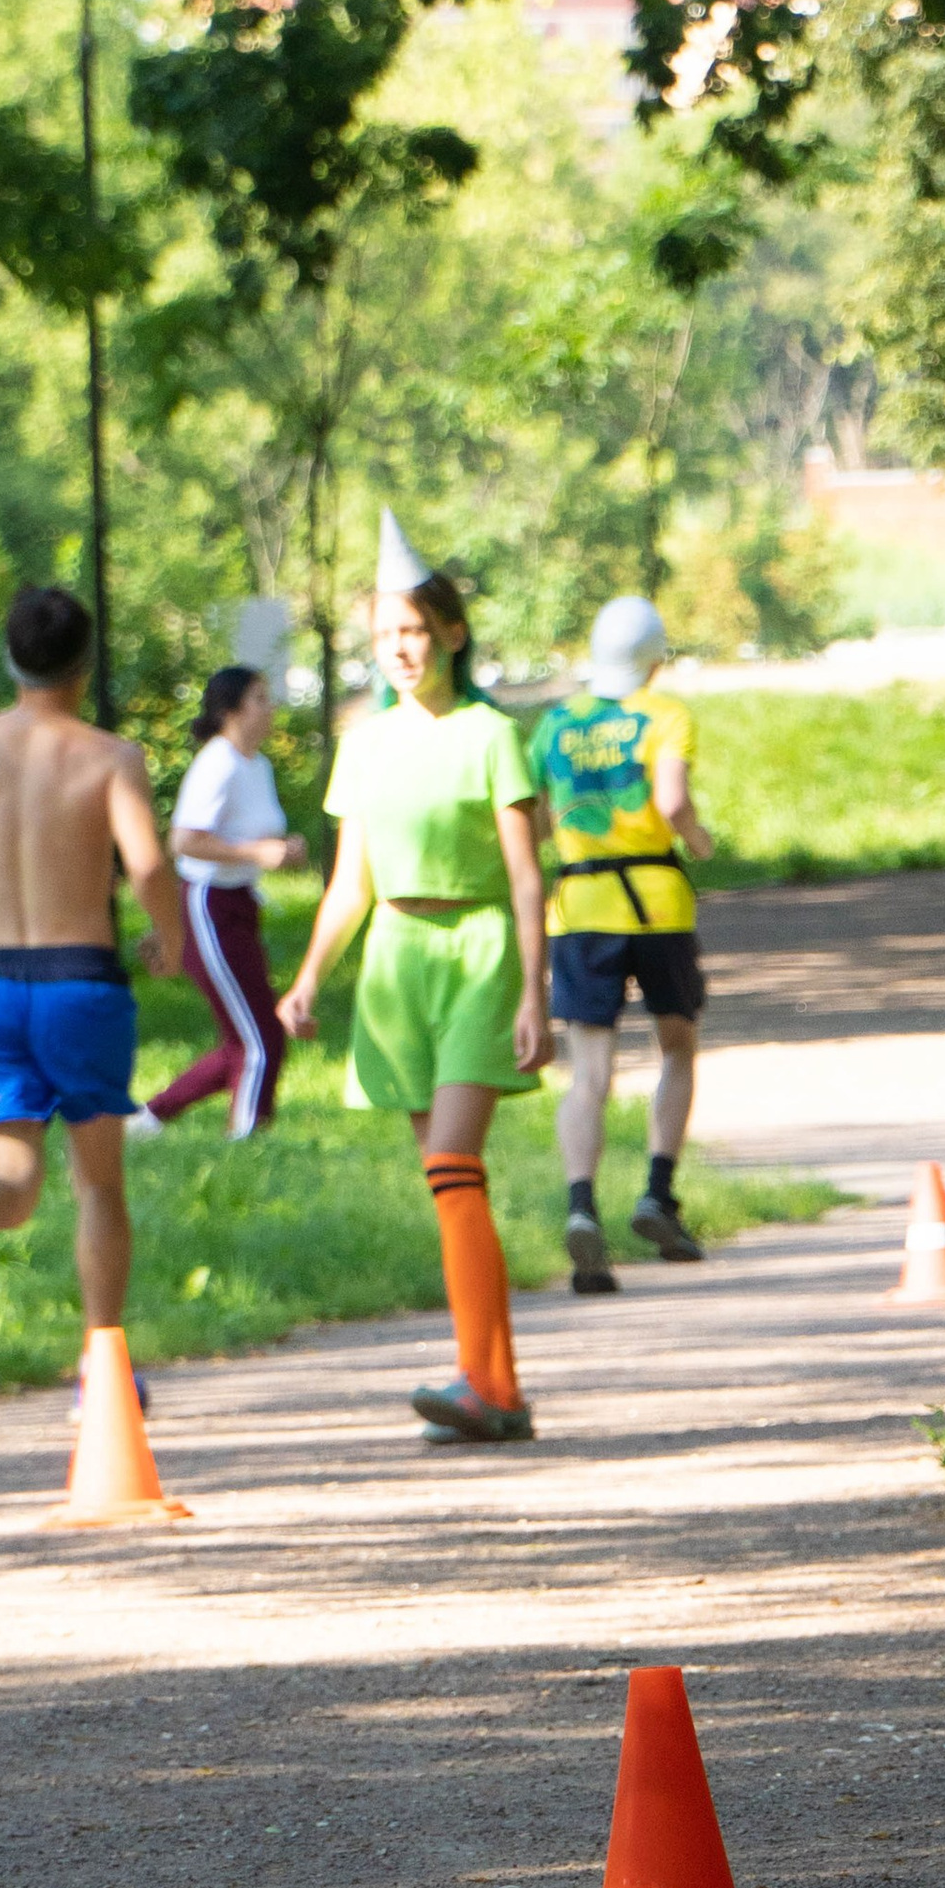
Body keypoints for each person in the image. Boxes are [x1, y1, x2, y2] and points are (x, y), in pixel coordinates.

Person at [278, 513, 550, 1445]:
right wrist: (310, 976)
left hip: (478, 952)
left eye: (413, 631)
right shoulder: (365, 740)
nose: (399, 650)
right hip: (397, 960)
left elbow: (525, 873)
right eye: (385, 635)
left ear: (451, 634)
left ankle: (486, 1380)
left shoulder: (491, 734)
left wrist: (533, 991)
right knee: (448, 1183)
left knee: (451, 1162)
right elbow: (349, 879)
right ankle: (494, 1384)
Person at [0, 583, 185, 1346]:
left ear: (9, 658)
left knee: (15, 1188)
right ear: (83, 666)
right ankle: (101, 1367)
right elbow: (150, 865)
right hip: (79, 988)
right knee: (97, 1184)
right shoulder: (109, 756)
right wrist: (173, 938)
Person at [530, 593, 713, 1293]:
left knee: (590, 1070)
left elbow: (542, 819)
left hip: (579, 907)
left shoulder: (553, 726)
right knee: (676, 1047)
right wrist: (698, 840)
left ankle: (582, 1205)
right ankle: (658, 1194)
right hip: (656, 905)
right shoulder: (665, 714)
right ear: (655, 658)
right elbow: (671, 802)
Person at [130, 664, 308, 1139]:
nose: (270, 709)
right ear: (230, 711)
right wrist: (258, 852)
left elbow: (253, 836)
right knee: (262, 1039)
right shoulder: (218, 763)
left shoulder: (257, 765)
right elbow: (184, 840)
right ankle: (248, 1140)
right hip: (208, 905)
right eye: (259, 699)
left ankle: (147, 1118)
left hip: (241, 903)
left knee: (243, 1038)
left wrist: (283, 849)